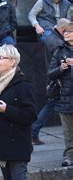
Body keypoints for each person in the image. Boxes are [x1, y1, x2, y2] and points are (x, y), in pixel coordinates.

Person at [0, 45, 36, 180]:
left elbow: (31, 114)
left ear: (13, 61)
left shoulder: (22, 84)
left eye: (2, 58)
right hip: (1, 146)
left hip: (17, 146)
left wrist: (7, 110)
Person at [31, 18, 71, 145]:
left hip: (57, 79)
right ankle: (33, 131)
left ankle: (33, 132)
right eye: (67, 31)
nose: (67, 34)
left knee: (51, 105)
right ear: (63, 30)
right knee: (50, 105)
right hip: (59, 81)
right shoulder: (58, 44)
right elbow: (57, 64)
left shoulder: (51, 39)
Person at [47, 23, 73, 167]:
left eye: (70, 31)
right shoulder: (60, 50)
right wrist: (61, 68)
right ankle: (69, 156)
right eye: (65, 32)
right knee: (68, 132)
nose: (66, 34)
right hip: (66, 96)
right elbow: (50, 73)